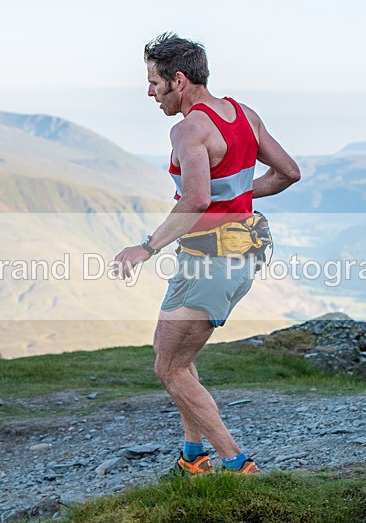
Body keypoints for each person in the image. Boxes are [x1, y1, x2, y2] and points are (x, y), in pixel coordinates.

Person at [114, 32, 300, 476]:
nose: (149, 91)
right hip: (243, 254)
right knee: (173, 354)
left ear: (178, 80)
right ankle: (193, 455)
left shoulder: (188, 129)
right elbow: (287, 173)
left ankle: (237, 464)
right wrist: (235, 197)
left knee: (170, 369)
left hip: (210, 262)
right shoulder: (243, 114)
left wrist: (145, 248)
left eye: (153, 81)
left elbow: (195, 200)